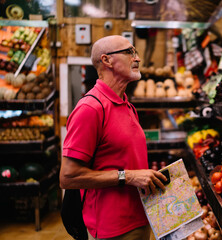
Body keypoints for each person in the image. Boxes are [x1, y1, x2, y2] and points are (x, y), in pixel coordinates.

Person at [60, 35, 167, 240]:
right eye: (129, 52)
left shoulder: (127, 105)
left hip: (141, 219)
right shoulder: (90, 109)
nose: (137, 58)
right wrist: (129, 176)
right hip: (112, 229)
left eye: (135, 52)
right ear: (107, 60)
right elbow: (68, 177)